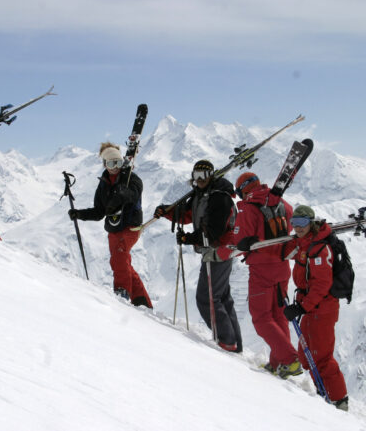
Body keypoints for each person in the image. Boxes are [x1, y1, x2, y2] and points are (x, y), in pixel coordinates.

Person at [215, 172, 301, 377]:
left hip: (262, 269)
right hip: (282, 267)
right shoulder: (279, 201)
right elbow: (291, 222)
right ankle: (278, 362)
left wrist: (219, 253)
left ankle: (290, 360)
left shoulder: (247, 208)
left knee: (262, 319)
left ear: (243, 189)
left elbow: (240, 241)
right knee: (278, 316)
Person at [154, 160, 242, 353]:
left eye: (203, 176)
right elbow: (187, 214)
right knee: (222, 297)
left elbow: (214, 231)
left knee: (207, 298)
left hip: (218, 251)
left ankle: (226, 341)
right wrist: (167, 211)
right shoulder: (201, 194)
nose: (199, 180)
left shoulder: (220, 198)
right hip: (217, 250)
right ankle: (234, 342)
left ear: (212, 176)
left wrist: (188, 238)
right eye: (196, 177)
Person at [69, 142, 152, 308]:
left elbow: (134, 194)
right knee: (123, 262)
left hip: (130, 227)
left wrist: (121, 194)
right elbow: (99, 212)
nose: (115, 167)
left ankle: (122, 292)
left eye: (118, 163)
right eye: (111, 163)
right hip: (114, 228)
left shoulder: (130, 178)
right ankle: (141, 300)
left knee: (119, 257)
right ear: (104, 164)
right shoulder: (104, 184)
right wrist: (80, 214)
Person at [282, 205, 349, 411]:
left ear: (311, 223)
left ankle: (339, 402)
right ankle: (323, 392)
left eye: (302, 223)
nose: (298, 227)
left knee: (321, 356)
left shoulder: (319, 248)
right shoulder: (304, 243)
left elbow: (322, 285)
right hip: (310, 306)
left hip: (322, 308)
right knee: (306, 354)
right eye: (294, 223)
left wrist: (302, 307)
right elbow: (286, 251)